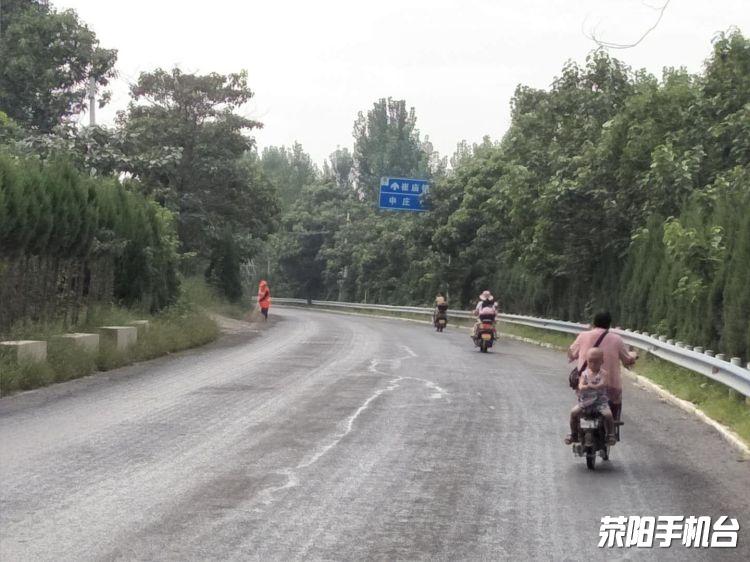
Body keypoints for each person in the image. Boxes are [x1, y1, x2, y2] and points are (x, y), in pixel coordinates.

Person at [568, 310, 637, 422]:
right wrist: (633, 356)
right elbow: (627, 360)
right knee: (616, 401)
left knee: (579, 408)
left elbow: (571, 354)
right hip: (611, 388)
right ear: (609, 324)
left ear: (594, 322)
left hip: (586, 386)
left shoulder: (583, 336)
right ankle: (613, 426)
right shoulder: (617, 339)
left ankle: (575, 429)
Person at [565, 347, 617, 446]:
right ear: (587, 361)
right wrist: (583, 386)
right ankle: (573, 434)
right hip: (585, 402)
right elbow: (581, 385)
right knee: (573, 413)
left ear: (602, 361)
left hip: (600, 402)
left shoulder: (603, 373)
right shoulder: (584, 374)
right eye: (590, 361)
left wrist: (593, 386)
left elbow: (603, 383)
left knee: (608, 415)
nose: (593, 364)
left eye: (596, 362)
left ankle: (610, 435)